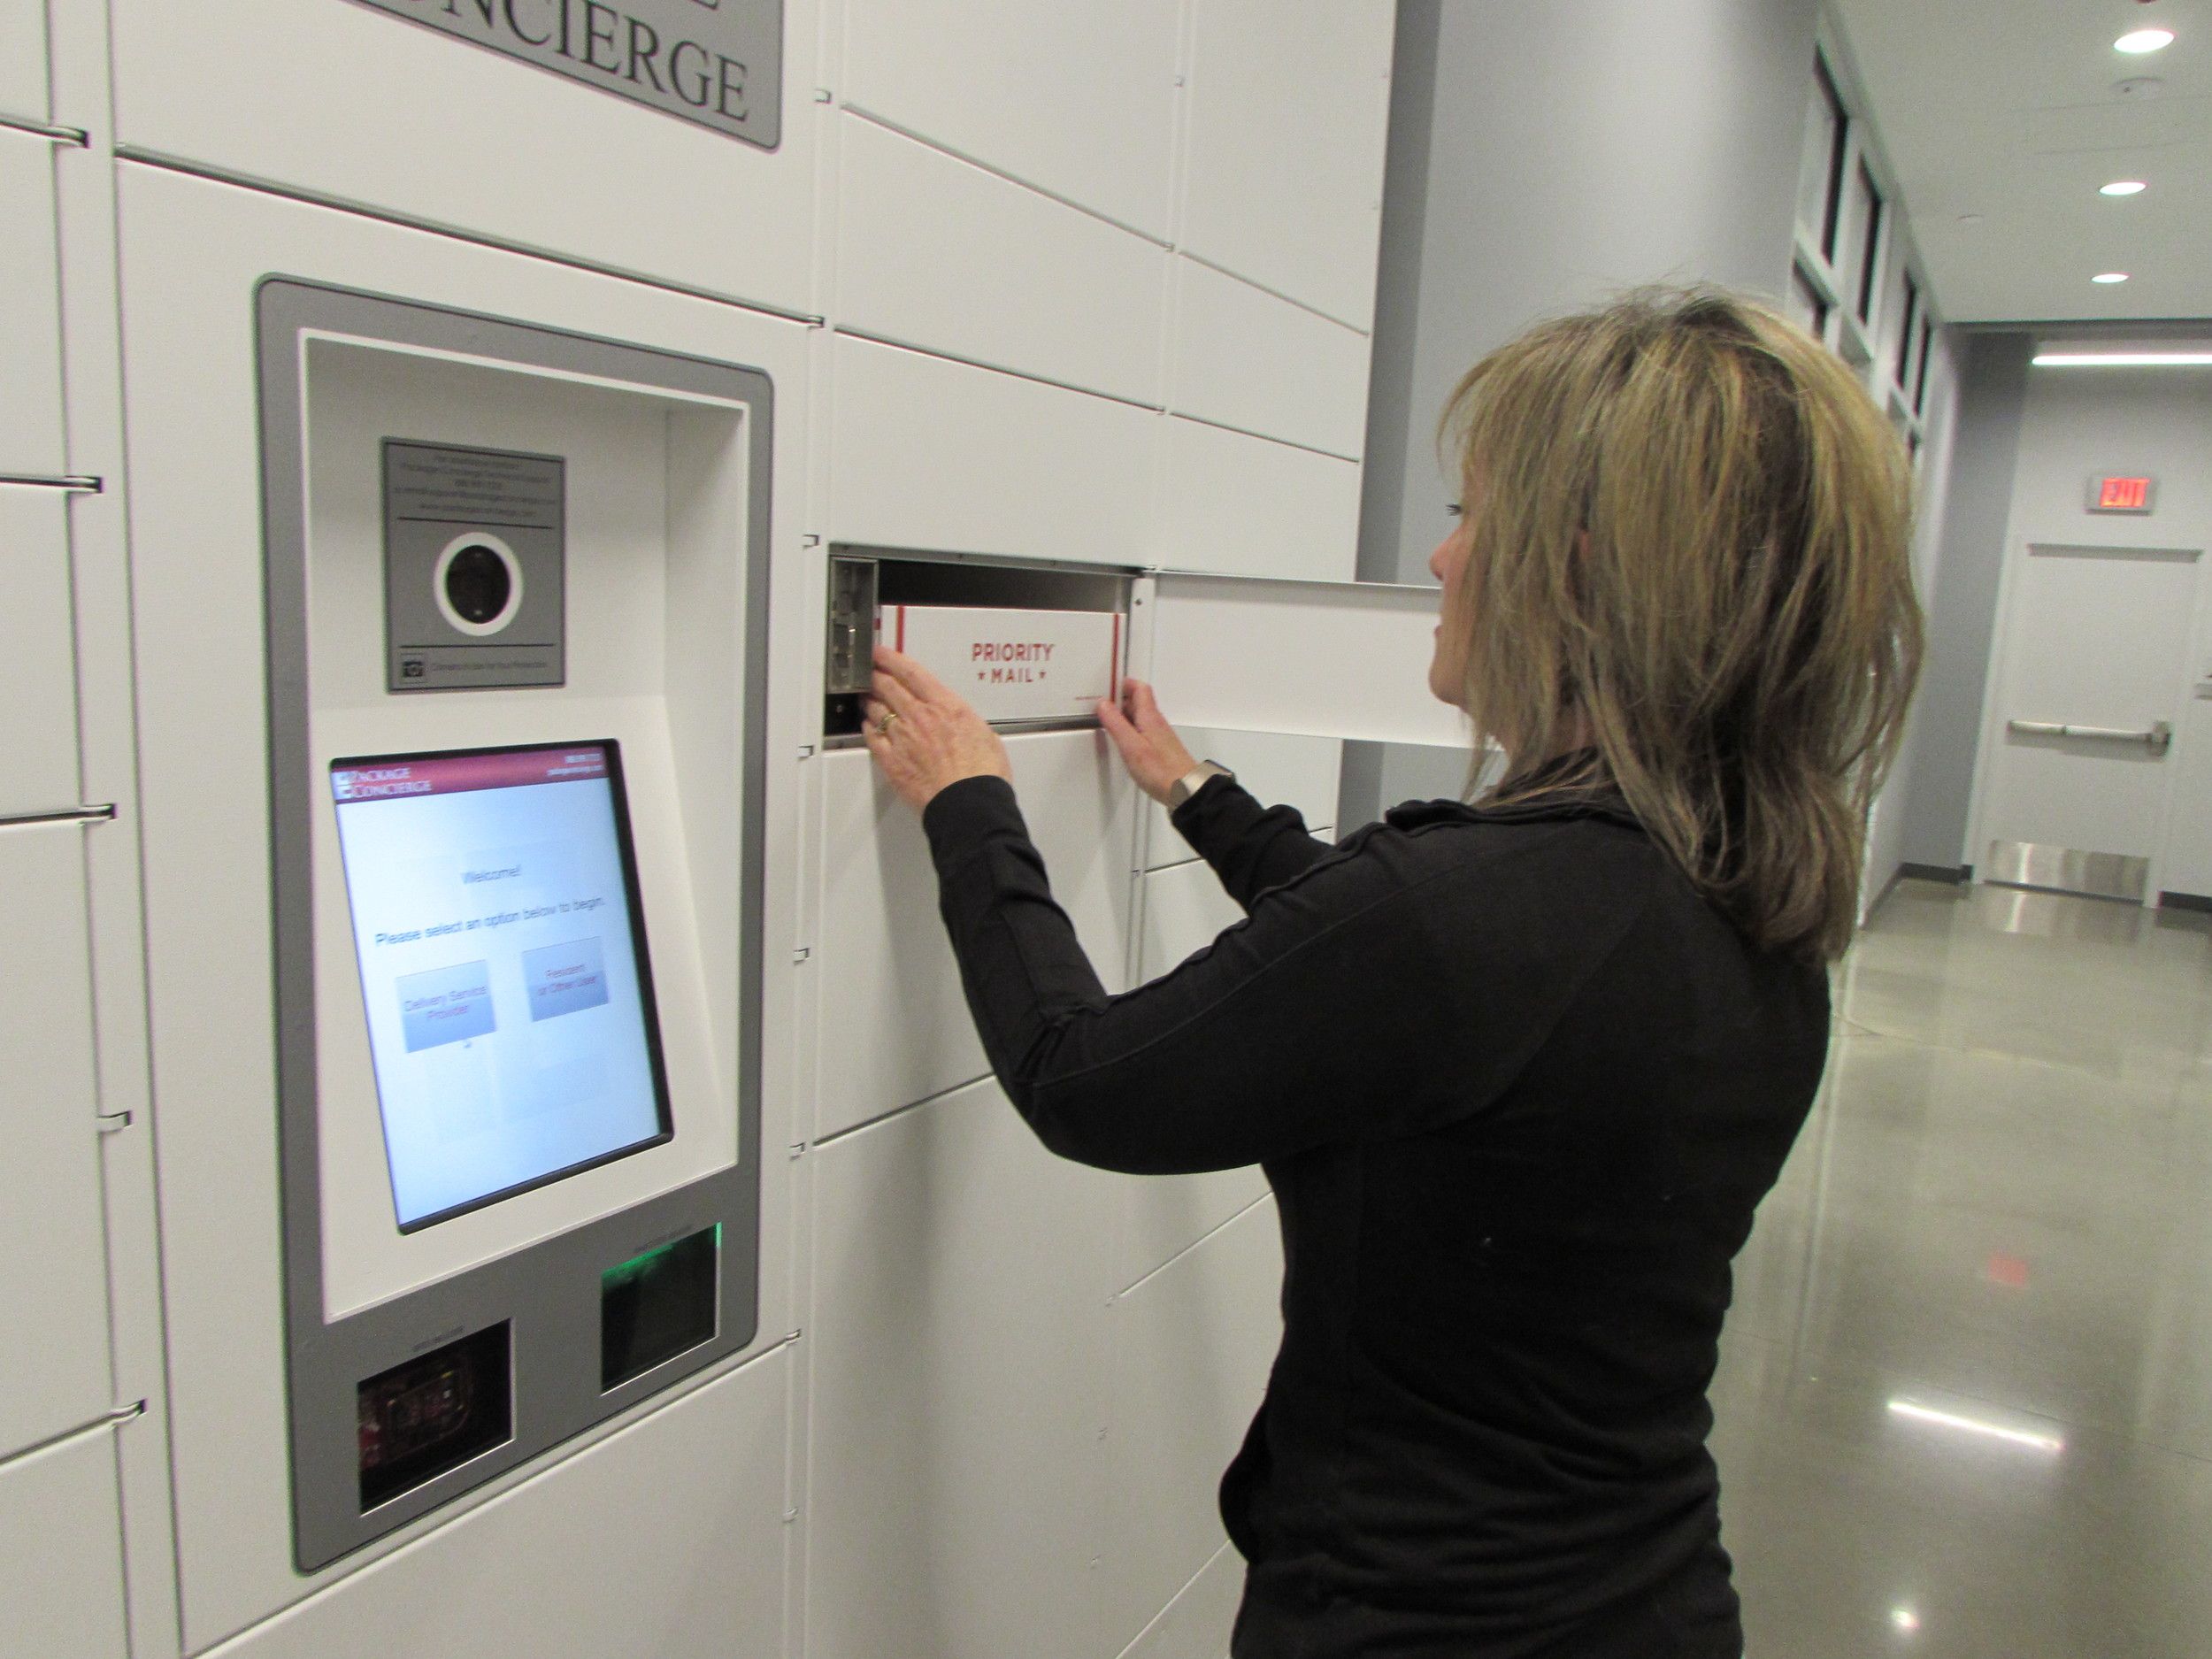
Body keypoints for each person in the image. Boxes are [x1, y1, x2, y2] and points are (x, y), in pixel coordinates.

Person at [860, 288, 1923, 1659]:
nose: (1438, 557)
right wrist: (1196, 793)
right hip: (1648, 1600)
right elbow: (1416, 978)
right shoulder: (1746, 890)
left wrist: (970, 807)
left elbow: (1085, 1080)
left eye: (1472, 516)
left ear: (1579, 572)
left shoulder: (1458, 920)